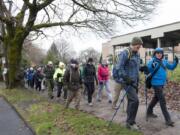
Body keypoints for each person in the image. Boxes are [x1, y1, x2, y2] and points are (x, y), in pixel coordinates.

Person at [146, 47, 178, 127]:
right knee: (162, 100)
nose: (159, 54)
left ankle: (149, 112)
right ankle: (168, 120)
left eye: (160, 53)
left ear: (162, 54)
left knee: (156, 98)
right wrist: (151, 66)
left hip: (161, 83)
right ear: (155, 54)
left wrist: (176, 62)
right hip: (155, 83)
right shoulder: (152, 61)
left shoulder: (164, 61)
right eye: (157, 53)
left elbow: (171, 67)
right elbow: (149, 68)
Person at [116, 37, 143, 130]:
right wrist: (126, 77)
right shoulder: (125, 53)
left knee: (131, 101)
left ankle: (129, 122)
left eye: (139, 47)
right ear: (133, 44)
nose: (139, 48)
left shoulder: (137, 54)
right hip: (127, 82)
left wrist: (142, 68)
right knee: (135, 101)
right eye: (138, 46)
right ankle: (131, 123)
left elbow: (135, 66)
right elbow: (119, 67)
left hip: (134, 82)